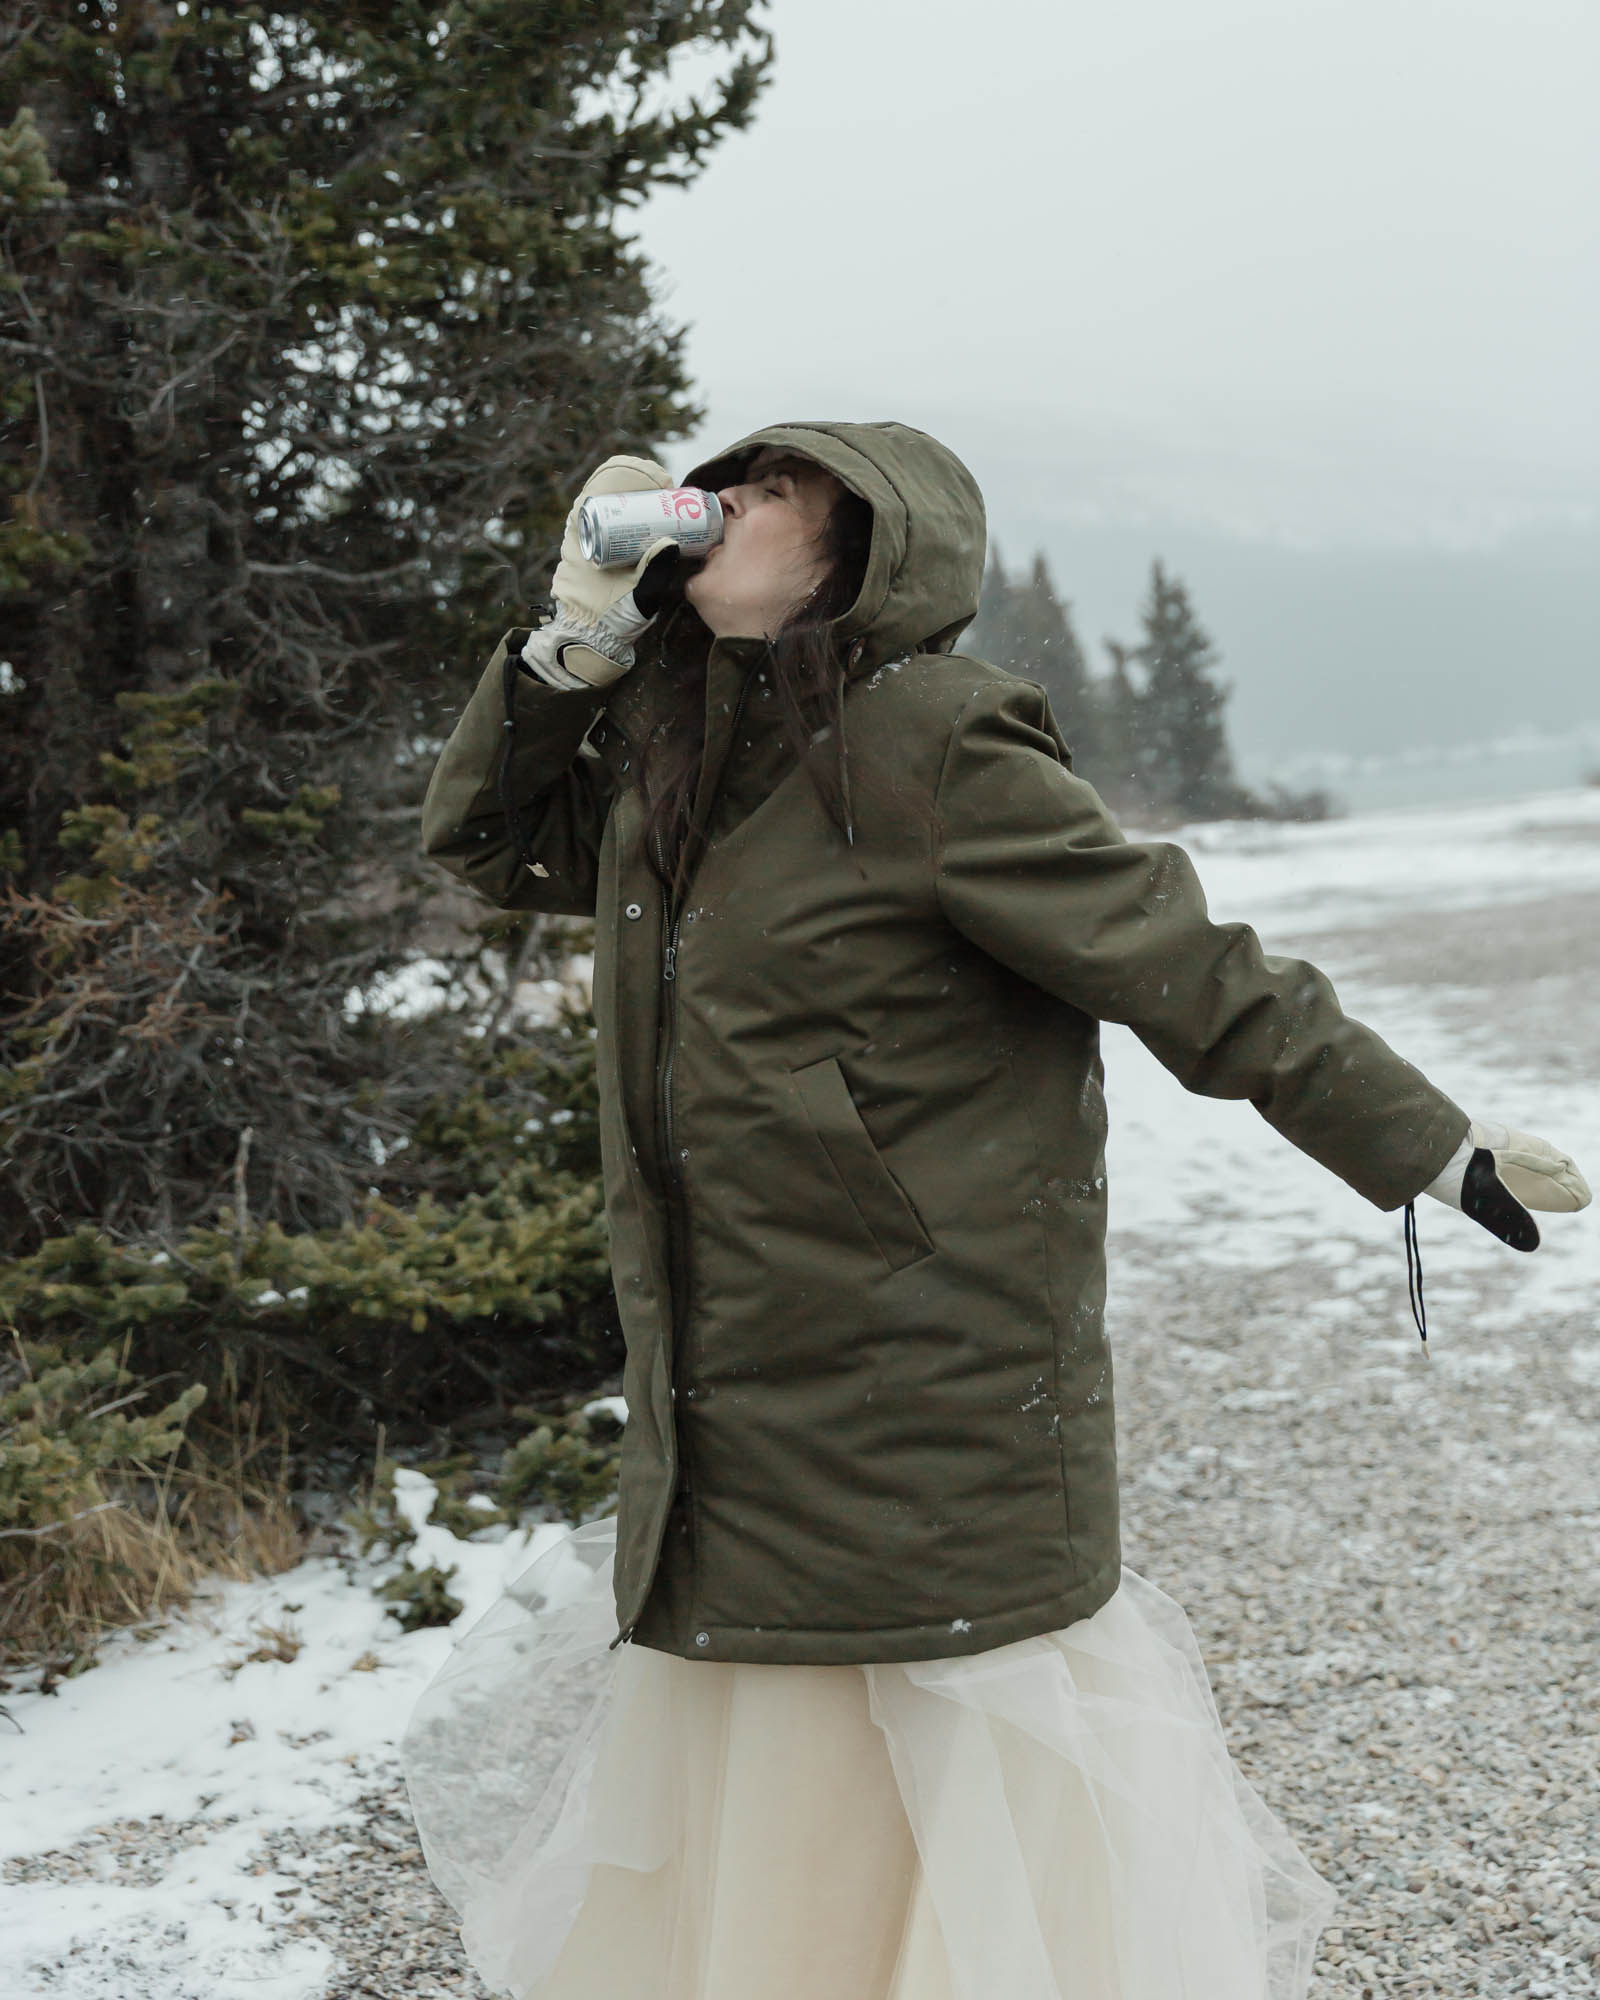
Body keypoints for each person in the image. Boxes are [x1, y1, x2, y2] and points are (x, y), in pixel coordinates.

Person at [404, 422, 1590, 2000]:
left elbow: (1188, 966)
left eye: (766, 495)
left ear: (862, 551)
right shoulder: (672, 741)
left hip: (920, 1387)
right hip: (732, 1394)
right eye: (723, 485)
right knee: (768, 1830)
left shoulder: (941, 745)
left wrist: (1433, 1147)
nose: (721, 511)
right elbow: (484, 841)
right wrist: (575, 645)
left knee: (969, 1840)